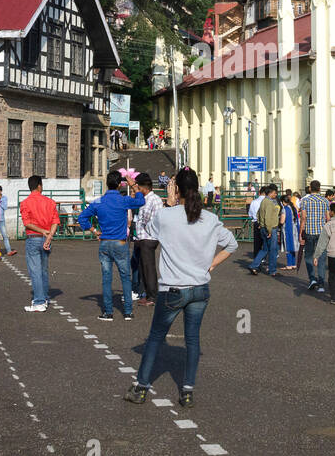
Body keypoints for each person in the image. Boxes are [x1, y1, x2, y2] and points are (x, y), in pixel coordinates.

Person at [124, 167, 236, 408]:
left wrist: (171, 204)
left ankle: (141, 387)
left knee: (155, 338)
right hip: (199, 288)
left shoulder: (166, 216)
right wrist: (210, 266)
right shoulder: (211, 219)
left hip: (173, 288)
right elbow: (231, 245)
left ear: (176, 189)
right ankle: (187, 391)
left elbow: (150, 235)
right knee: (193, 340)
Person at [78, 170, 146, 320]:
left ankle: (108, 312)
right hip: (120, 242)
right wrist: (133, 185)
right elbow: (141, 200)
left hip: (105, 243)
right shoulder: (123, 200)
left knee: (106, 278)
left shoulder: (99, 201)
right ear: (120, 184)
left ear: (107, 184)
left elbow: (82, 217)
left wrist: (94, 230)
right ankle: (128, 311)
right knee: (125, 277)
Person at [19, 175, 59, 311]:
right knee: (44, 270)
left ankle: (39, 301)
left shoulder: (25, 203)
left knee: (35, 271)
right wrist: (49, 235)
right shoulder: (50, 202)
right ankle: (44, 297)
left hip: (33, 238)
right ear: (39, 186)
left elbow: (27, 223)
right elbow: (55, 221)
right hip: (46, 238)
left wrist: (42, 231)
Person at [132, 172, 162, 307]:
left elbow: (146, 217)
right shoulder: (152, 198)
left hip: (148, 237)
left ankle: (152, 296)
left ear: (144, 187)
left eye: (138, 188)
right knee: (143, 266)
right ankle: (147, 294)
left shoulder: (151, 200)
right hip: (144, 237)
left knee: (148, 267)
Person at [298, 180, 329, 291]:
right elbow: (327, 218)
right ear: (320, 189)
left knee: (308, 256)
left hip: (309, 231)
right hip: (322, 232)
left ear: (310, 188)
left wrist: (301, 233)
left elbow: (303, 218)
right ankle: (321, 284)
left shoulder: (305, 200)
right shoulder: (325, 201)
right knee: (321, 258)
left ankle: (312, 279)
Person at [246, 184, 281, 277]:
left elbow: (258, 214)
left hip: (263, 227)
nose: (275, 195)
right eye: (274, 193)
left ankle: (254, 265)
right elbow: (268, 218)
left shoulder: (263, 201)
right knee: (273, 250)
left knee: (265, 249)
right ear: (271, 193)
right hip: (270, 228)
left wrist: (260, 224)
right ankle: (272, 270)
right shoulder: (269, 203)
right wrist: (269, 230)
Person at [280, 190, 301, 273]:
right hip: (294, 228)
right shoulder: (292, 207)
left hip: (287, 229)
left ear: (283, 202)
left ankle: (289, 264)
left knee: (288, 246)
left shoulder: (284, 209)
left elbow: (282, 221)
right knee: (293, 247)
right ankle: (293, 264)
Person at [0, 186, 16, 258]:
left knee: (5, 236)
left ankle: (9, 251)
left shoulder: (4, 198)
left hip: (2, 220)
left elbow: (5, 207)